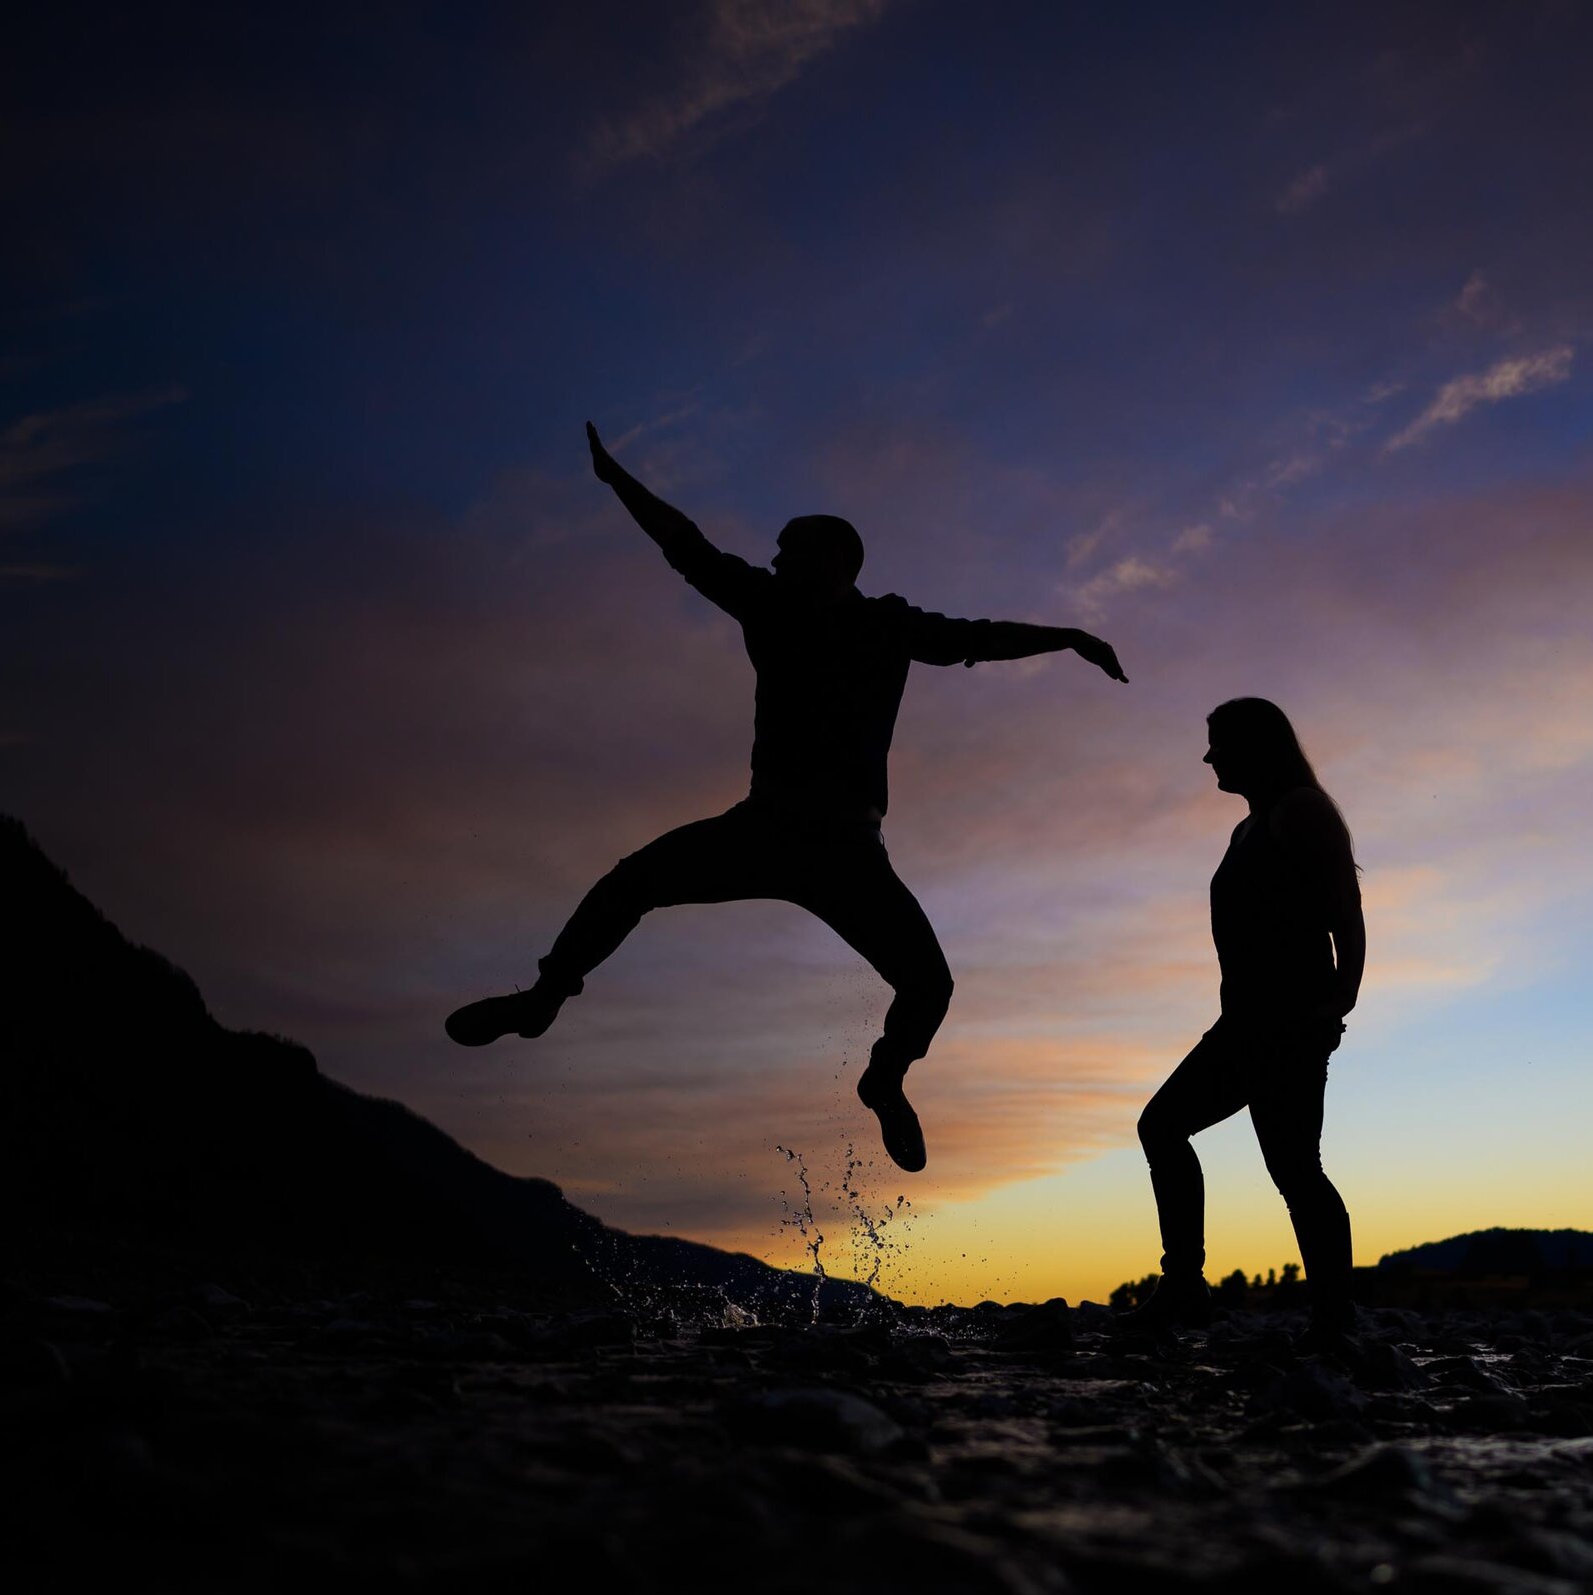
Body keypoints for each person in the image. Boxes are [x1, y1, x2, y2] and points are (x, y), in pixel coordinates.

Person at [445, 422, 1128, 1174]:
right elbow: (686, 544)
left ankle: (885, 1076)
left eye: (788, 547)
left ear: (835, 559)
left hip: (849, 853)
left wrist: (1067, 635)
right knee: (629, 882)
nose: (774, 558)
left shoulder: (888, 624)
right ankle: (542, 1000)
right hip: (765, 828)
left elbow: (979, 637)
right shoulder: (768, 602)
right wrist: (618, 482)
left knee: (930, 984)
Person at [1126, 697, 1364, 1344]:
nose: (1208, 757)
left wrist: (1338, 1002)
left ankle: (1336, 1320)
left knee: (1294, 1168)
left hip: (1287, 1023)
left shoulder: (1301, 811)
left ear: (1257, 746)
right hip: (1245, 1024)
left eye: (1219, 743)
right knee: (1165, 1126)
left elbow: (1346, 913)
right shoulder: (1249, 827)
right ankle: (1186, 1285)